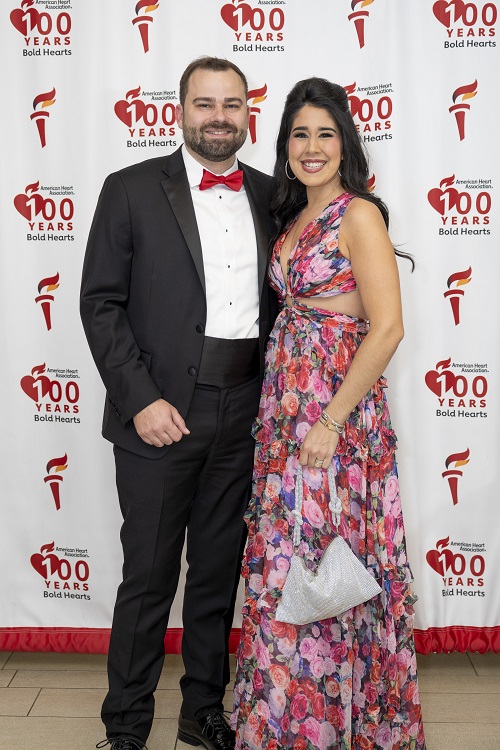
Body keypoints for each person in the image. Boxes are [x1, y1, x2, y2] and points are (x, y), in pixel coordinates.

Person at [80, 56, 277, 750]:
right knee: (149, 577)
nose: (218, 117)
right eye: (204, 104)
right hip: (158, 412)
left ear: (248, 112)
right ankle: (126, 728)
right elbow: (100, 304)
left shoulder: (270, 193)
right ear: (180, 110)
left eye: (232, 104)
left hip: (246, 408)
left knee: (218, 573)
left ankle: (203, 713)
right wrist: (141, 400)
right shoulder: (130, 189)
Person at [231, 78, 426, 750]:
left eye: (325, 133)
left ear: (345, 141)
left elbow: (387, 328)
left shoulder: (358, 215)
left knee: (329, 563)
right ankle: (285, 719)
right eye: (299, 134)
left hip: (333, 427)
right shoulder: (295, 220)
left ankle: (333, 721)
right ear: (284, 146)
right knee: (293, 563)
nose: (312, 147)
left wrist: (332, 420)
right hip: (287, 422)